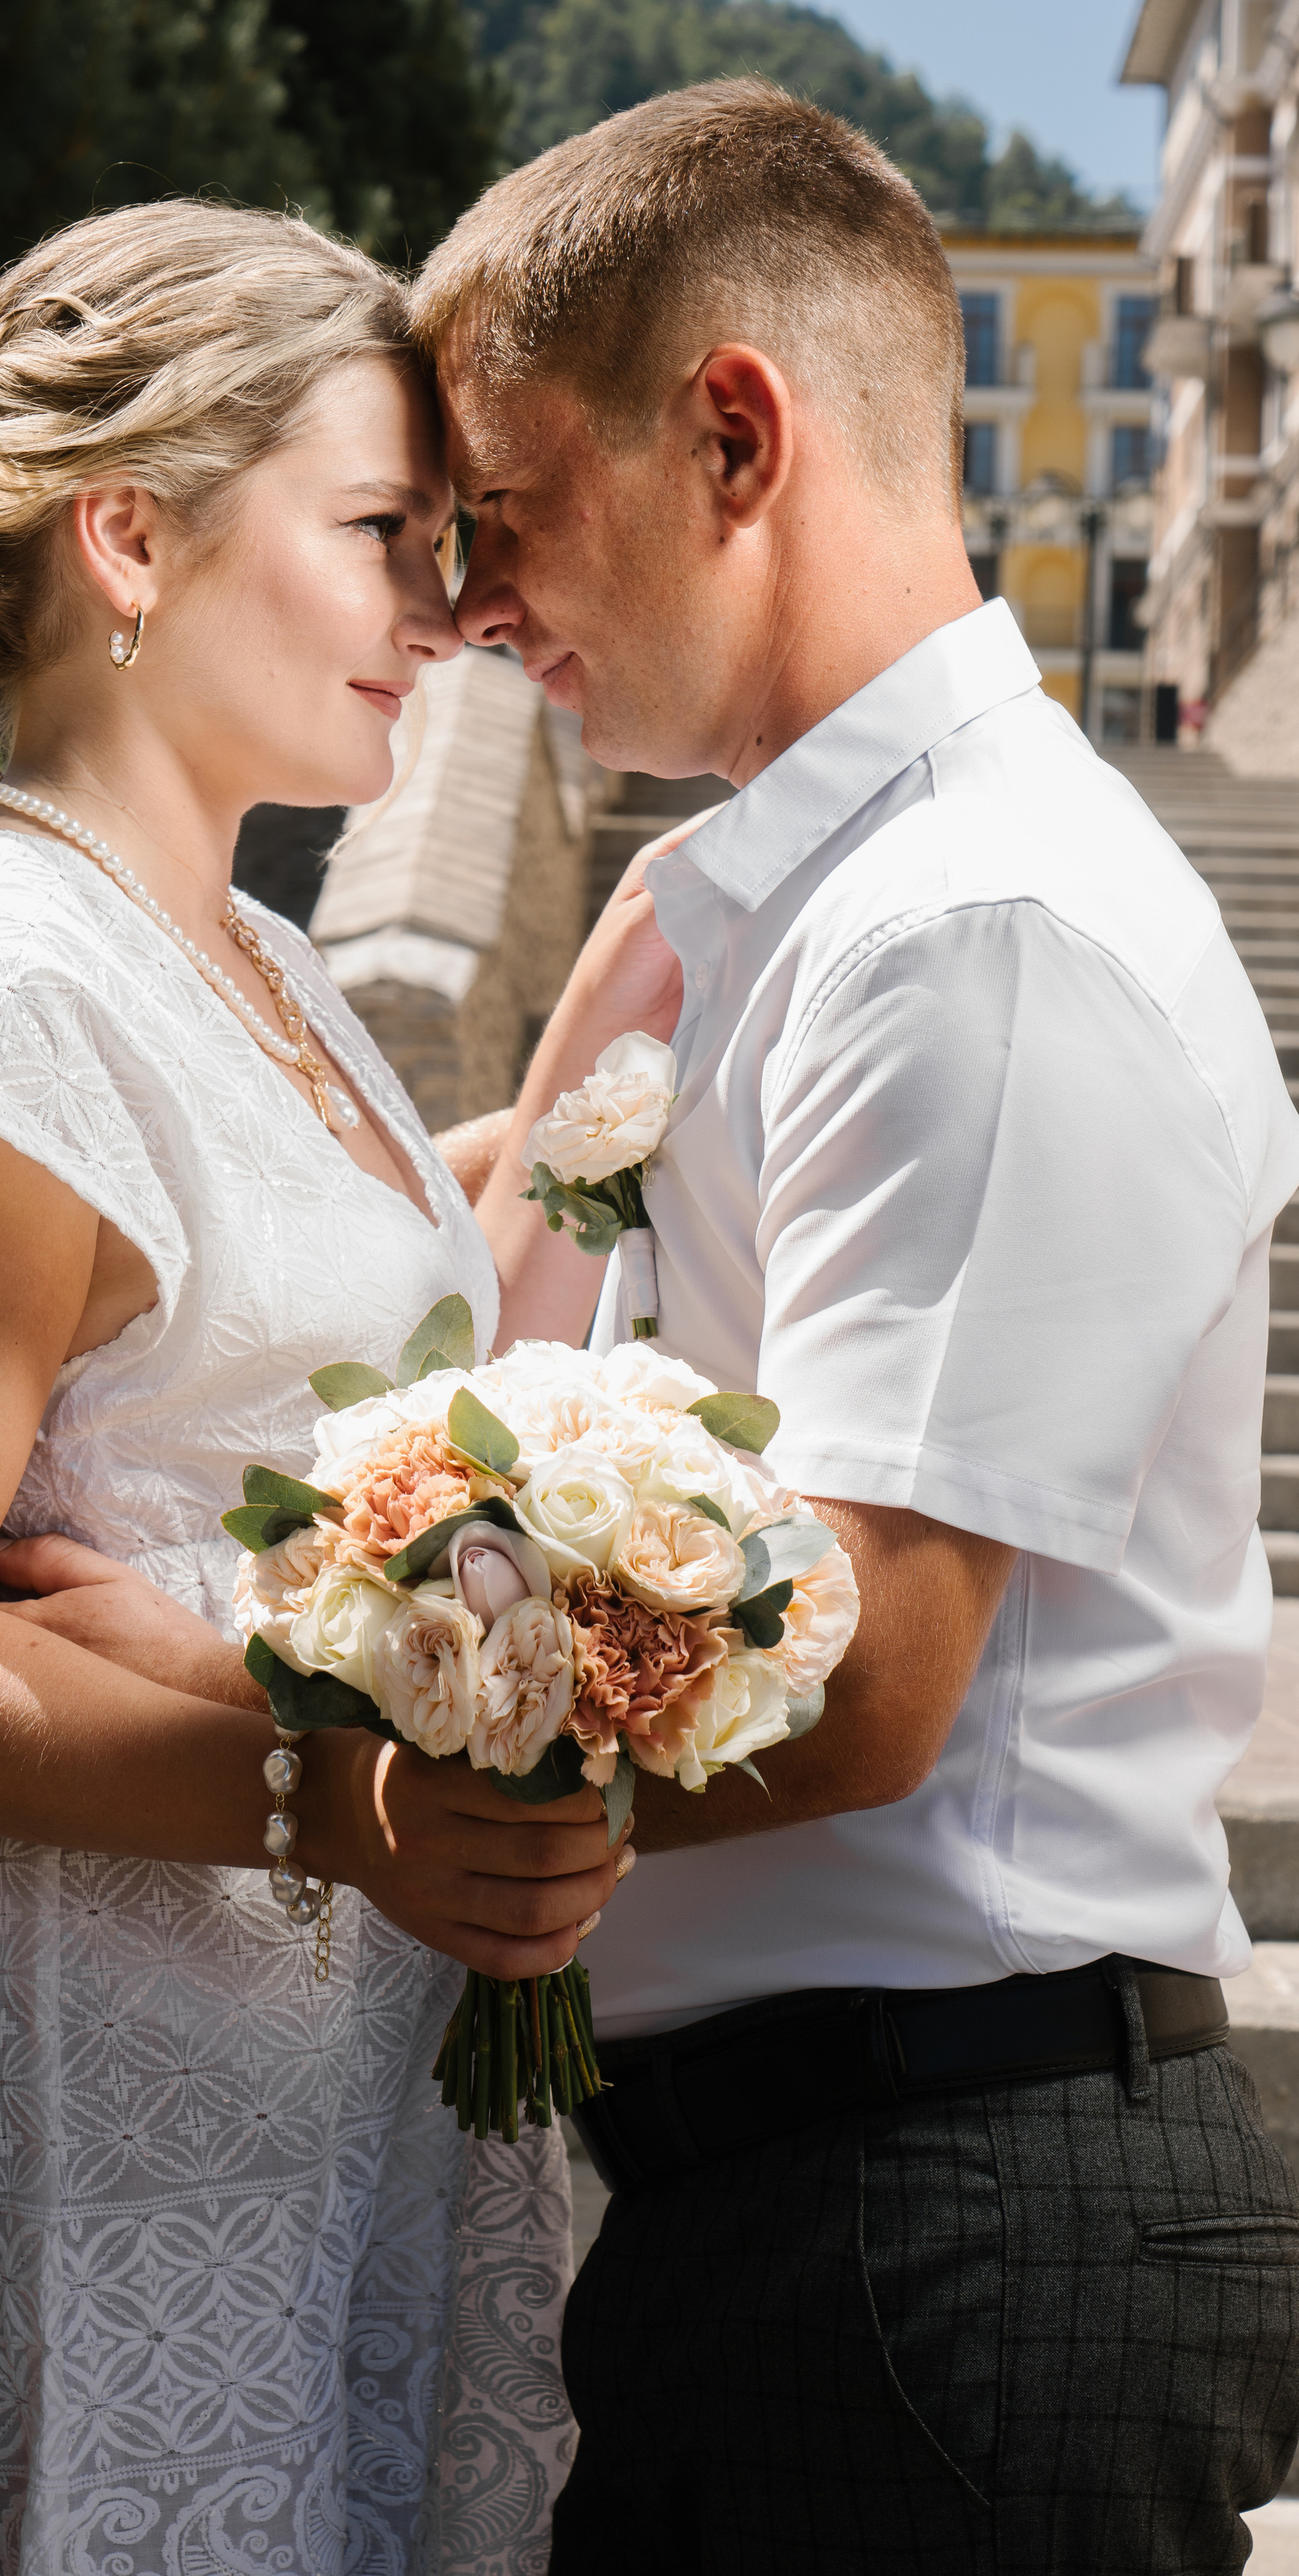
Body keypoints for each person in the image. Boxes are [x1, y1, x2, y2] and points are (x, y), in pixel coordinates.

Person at [401, 75, 1299, 2575]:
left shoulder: (971, 929)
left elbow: (875, 1670)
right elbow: (473, 1222)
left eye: (506, 506)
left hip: (952, 2221)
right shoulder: (793, 901)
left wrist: (326, 1799)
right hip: (838, 2204)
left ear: (731, 430)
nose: (466, 604)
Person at [0, 201, 632, 2576]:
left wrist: (620, 1061)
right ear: (131, 540)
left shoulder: (267, 966)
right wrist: (328, 1806)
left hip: (336, 2065)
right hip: (76, 2090)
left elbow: (280, 1283)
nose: (439, 617)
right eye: (379, 538)